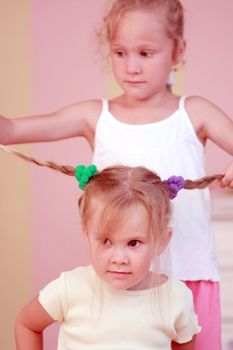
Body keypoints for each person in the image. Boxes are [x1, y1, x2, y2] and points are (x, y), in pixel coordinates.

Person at [0, 0, 233, 349]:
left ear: (178, 50)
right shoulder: (96, 116)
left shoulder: (195, 113)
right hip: (123, 281)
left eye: (146, 52)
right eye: (120, 53)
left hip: (192, 272)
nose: (131, 67)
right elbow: (11, 129)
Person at [13, 162, 204, 349]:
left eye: (133, 243)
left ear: (161, 241)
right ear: (87, 235)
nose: (119, 258)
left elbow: (184, 341)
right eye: (106, 241)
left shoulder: (176, 297)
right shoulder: (70, 288)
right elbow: (27, 324)